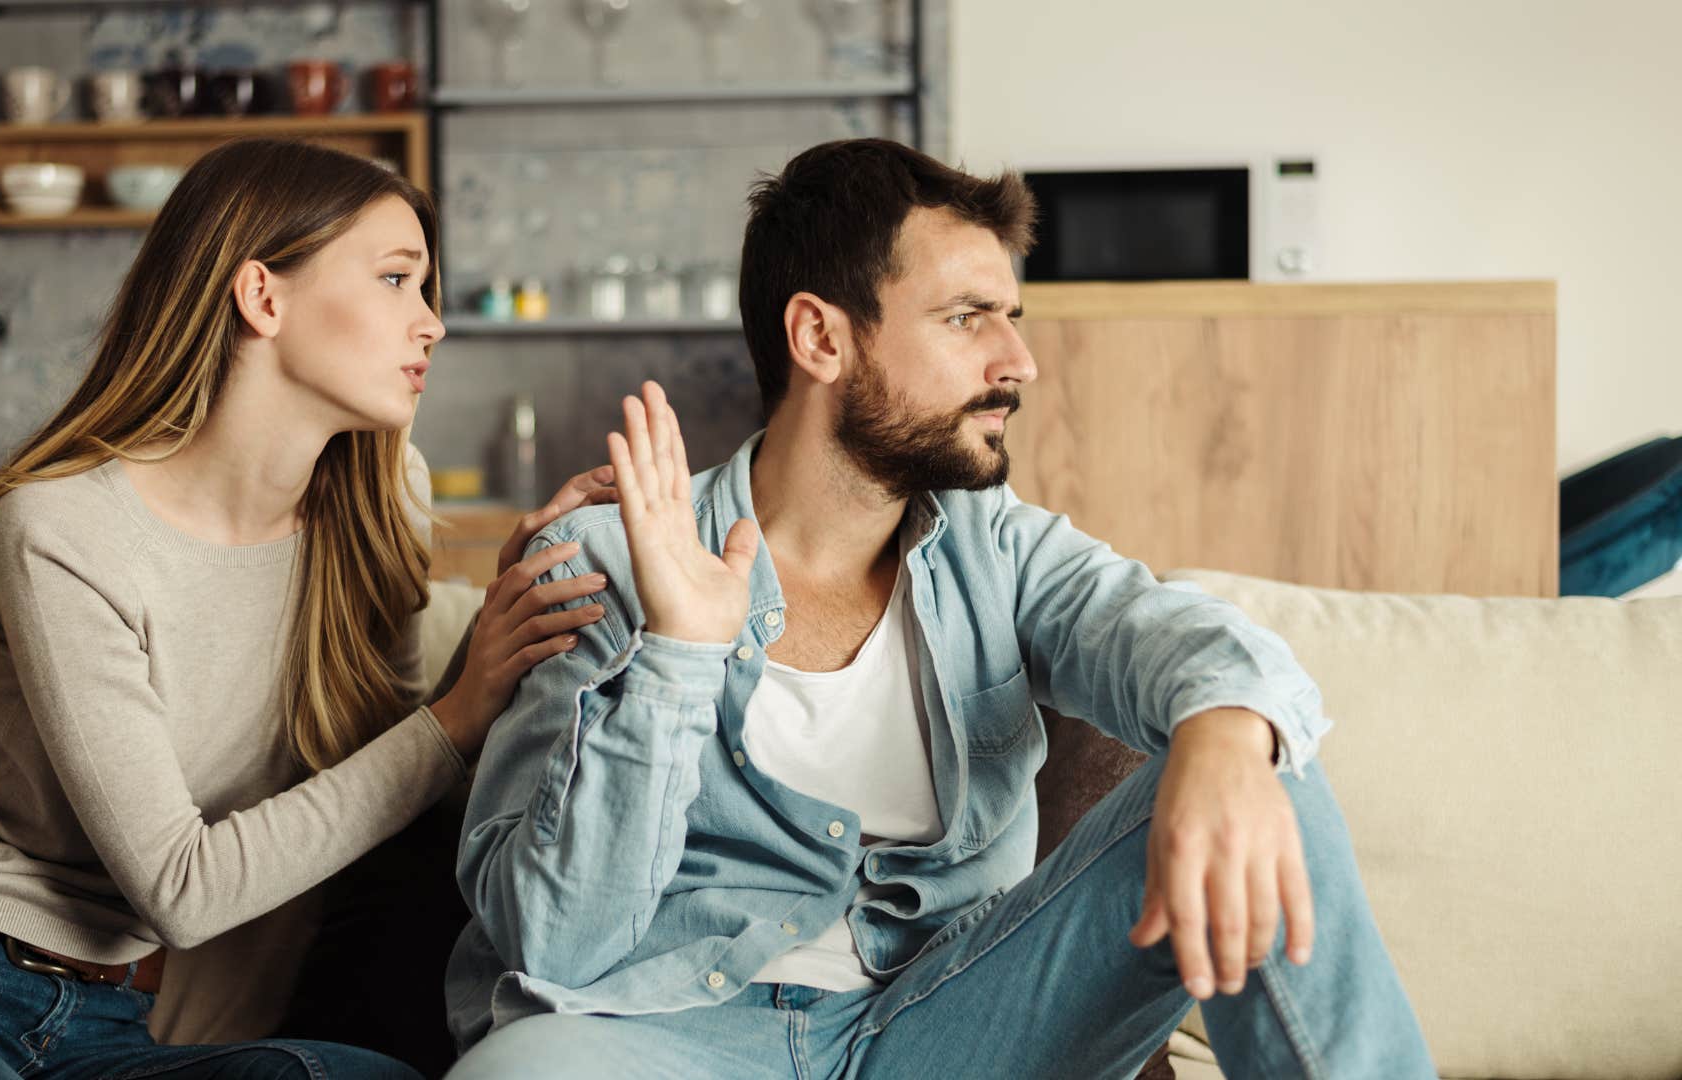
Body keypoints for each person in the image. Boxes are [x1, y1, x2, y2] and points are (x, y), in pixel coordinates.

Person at [443, 139, 1437, 1078]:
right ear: (821, 337)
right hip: (667, 1038)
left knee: (1265, 763)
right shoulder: (605, 561)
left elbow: (1163, 632)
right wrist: (676, 656)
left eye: (1012, 317)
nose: (1018, 362)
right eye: (968, 318)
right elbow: (554, 943)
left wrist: (1221, 734)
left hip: (952, 1027)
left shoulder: (998, 549)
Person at [0, 139, 616, 1080]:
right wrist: (456, 716)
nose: (432, 324)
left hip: (110, 1025)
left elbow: (379, 780)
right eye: (395, 279)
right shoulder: (63, 525)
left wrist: (501, 622)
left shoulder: (382, 499)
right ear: (262, 297)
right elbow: (182, 887)